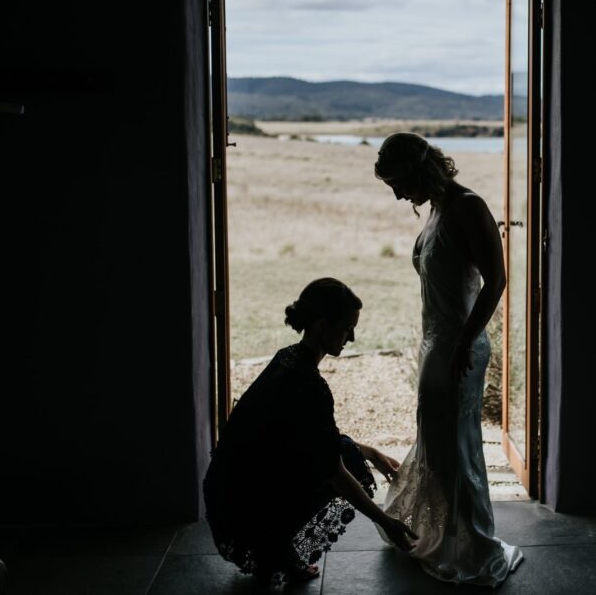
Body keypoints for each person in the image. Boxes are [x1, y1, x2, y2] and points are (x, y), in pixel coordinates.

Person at [373, 132, 524, 586]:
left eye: (399, 184)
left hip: (460, 348)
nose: (398, 195)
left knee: (456, 448)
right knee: (438, 443)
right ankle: (443, 535)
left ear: (421, 172)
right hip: (436, 344)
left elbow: (496, 279)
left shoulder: (468, 206)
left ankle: (471, 546)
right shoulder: (438, 208)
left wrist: (462, 344)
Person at [202, 277, 417, 588]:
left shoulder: (286, 358)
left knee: (346, 450)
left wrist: (372, 452)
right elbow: (335, 472)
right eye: (346, 328)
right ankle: (276, 551)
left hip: (226, 492)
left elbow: (315, 437)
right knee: (348, 462)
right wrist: (386, 522)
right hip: (241, 508)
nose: (352, 338)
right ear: (321, 326)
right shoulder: (309, 385)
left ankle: (274, 548)